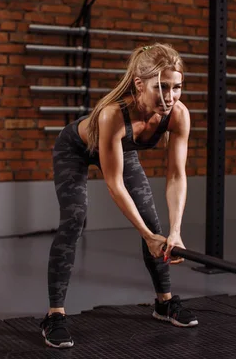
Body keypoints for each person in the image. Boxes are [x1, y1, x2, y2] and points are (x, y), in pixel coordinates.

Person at [39, 43, 199, 349]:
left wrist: (174, 233)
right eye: (161, 88)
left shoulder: (178, 115)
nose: (169, 97)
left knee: (155, 224)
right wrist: (146, 236)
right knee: (74, 220)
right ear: (139, 85)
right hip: (75, 149)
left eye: (176, 87)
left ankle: (164, 304)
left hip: (120, 151)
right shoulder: (114, 114)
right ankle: (54, 315)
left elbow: (177, 175)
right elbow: (114, 184)